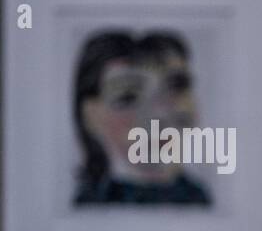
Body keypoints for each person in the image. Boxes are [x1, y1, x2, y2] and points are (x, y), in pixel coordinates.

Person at [72, 30, 211, 205]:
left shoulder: (198, 199)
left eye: (177, 87)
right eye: (129, 96)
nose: (160, 113)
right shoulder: (91, 206)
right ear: (90, 115)